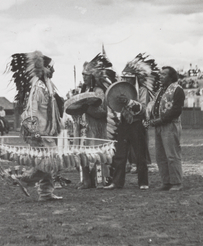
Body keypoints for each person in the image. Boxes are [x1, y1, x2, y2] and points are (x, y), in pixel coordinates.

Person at [0, 50, 64, 201]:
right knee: (49, 163)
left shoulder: (46, 85)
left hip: (47, 132)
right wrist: (33, 132)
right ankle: (22, 179)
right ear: (42, 68)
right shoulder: (38, 88)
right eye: (50, 67)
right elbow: (31, 111)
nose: (53, 70)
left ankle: (46, 193)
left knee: (46, 164)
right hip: (40, 134)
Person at [105, 54, 160, 191]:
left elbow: (143, 109)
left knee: (140, 155)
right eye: (124, 78)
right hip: (124, 124)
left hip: (137, 125)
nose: (125, 80)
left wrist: (128, 102)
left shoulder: (142, 91)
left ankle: (143, 182)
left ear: (134, 78)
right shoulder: (122, 90)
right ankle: (117, 182)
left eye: (128, 78)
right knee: (120, 154)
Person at [77, 52, 116, 188]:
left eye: (86, 75)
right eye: (82, 75)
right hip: (85, 128)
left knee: (97, 154)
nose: (83, 77)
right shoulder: (84, 89)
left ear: (93, 76)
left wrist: (85, 108)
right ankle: (86, 180)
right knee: (84, 154)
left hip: (97, 129)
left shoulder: (99, 91)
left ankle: (99, 180)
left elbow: (103, 112)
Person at [145, 65, 185, 191]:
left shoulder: (177, 90)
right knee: (161, 156)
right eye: (160, 74)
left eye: (163, 75)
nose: (160, 77)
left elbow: (176, 110)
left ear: (171, 77)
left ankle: (176, 182)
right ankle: (166, 182)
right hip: (159, 125)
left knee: (172, 155)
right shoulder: (160, 91)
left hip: (170, 125)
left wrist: (160, 120)